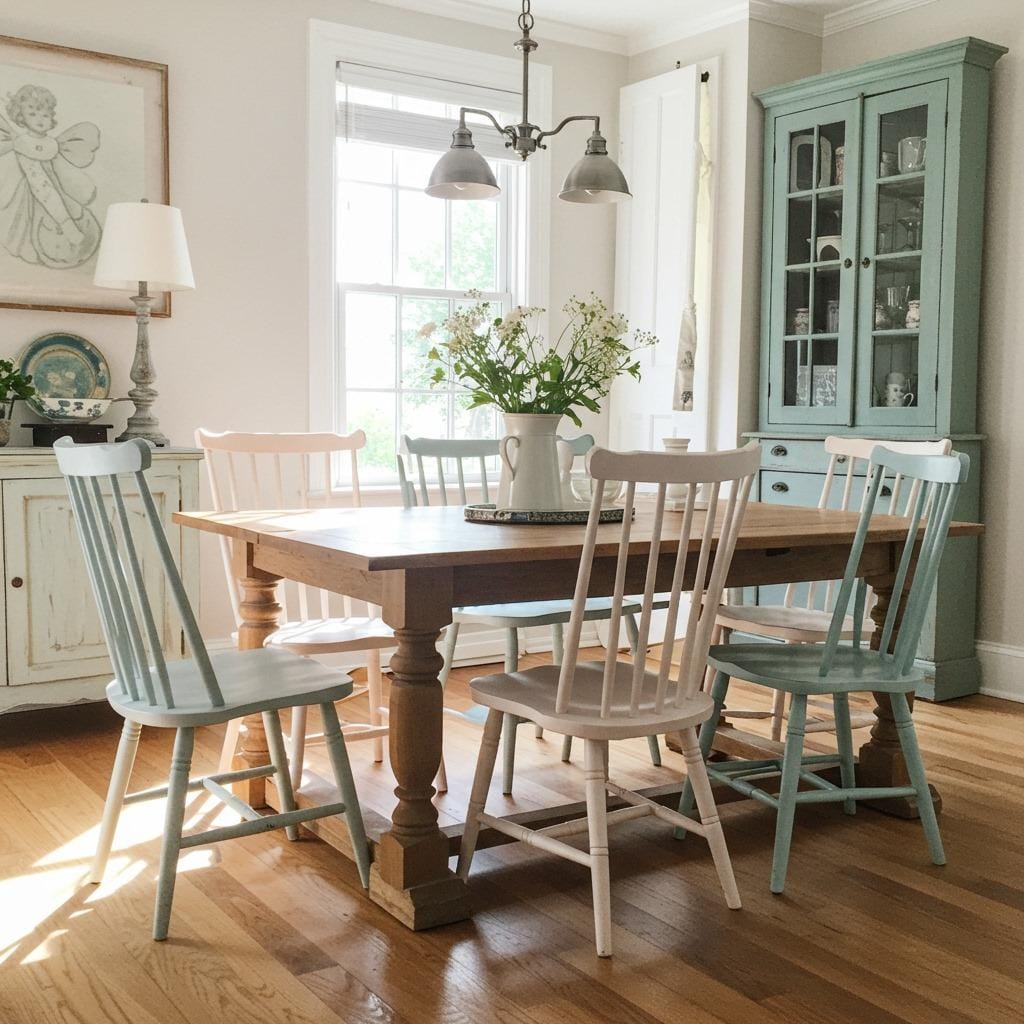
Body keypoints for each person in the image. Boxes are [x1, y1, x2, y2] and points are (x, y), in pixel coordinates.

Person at [0, 84, 101, 270]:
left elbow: (59, 170)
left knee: (62, 197)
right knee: (37, 208)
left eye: (45, 115)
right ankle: (62, 229)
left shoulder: (51, 143)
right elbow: (37, 179)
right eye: (32, 114)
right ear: (20, 117)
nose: (40, 119)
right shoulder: (23, 142)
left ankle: (70, 228)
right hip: (34, 187)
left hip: (55, 184)